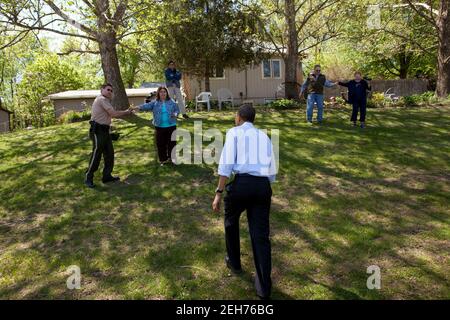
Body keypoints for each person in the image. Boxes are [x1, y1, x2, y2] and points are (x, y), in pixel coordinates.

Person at [212, 105, 277, 300]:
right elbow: (272, 168)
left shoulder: (234, 133)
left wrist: (218, 193)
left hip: (241, 185)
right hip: (262, 186)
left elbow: (225, 166)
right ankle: (264, 287)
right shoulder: (264, 136)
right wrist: (265, 184)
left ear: (239, 118)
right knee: (260, 236)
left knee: (231, 222)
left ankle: (234, 261)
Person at [85, 83, 133, 188]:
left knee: (109, 154)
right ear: (102, 90)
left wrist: (110, 128)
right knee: (97, 154)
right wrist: (127, 112)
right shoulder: (101, 99)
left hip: (104, 131)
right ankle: (88, 177)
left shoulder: (105, 101)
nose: (110, 92)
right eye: (108, 89)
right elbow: (113, 114)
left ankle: (106, 176)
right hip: (97, 131)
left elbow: (104, 116)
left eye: (111, 90)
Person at [134, 86, 180, 166]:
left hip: (171, 125)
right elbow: (146, 106)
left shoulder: (171, 101)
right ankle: (163, 160)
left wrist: (175, 114)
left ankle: (172, 159)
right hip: (159, 127)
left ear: (167, 93)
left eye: (164, 92)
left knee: (172, 143)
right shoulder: (155, 102)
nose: (163, 93)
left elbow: (177, 110)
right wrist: (137, 107)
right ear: (158, 93)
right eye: (161, 92)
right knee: (160, 144)